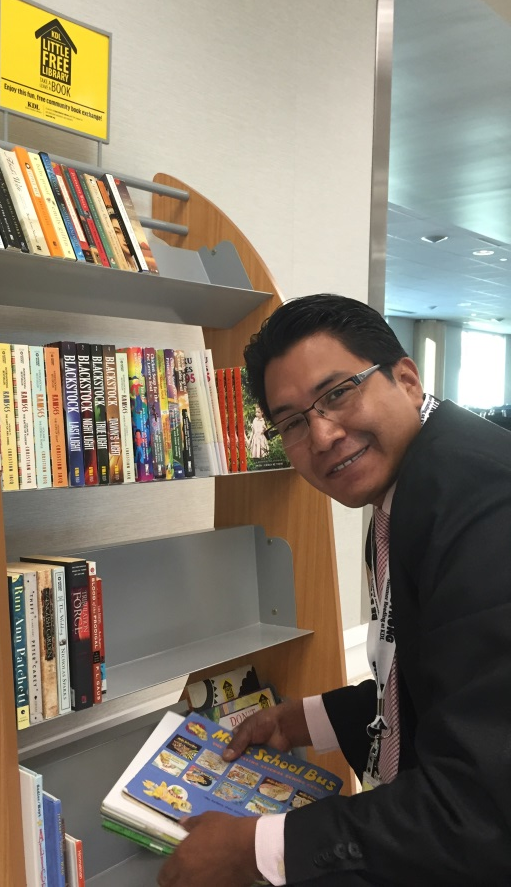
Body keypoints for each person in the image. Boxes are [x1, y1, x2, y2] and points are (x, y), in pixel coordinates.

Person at [157, 294, 511, 886]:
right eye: (292, 421)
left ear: (406, 377)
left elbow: (481, 803)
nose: (321, 435)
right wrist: (307, 719)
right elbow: (447, 683)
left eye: (337, 393)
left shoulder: (485, 505)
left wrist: (260, 846)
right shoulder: (415, 482)